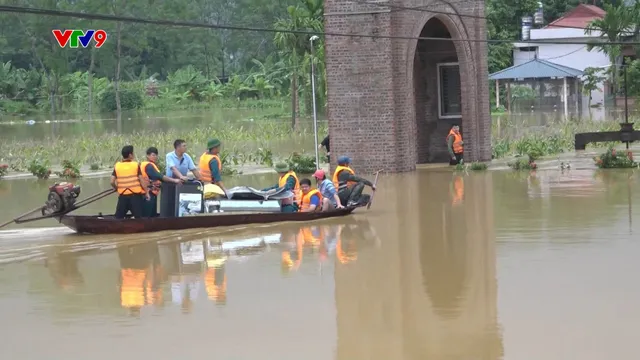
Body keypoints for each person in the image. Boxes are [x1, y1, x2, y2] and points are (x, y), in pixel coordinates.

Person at [140, 146, 182, 217]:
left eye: (156, 155)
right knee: (148, 216)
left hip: (150, 193)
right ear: (147, 156)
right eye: (153, 155)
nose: (155, 157)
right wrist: (174, 180)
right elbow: (160, 176)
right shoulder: (149, 166)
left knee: (151, 215)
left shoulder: (148, 165)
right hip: (148, 193)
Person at [111, 145, 147, 219]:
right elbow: (142, 180)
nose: (133, 155)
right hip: (135, 196)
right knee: (139, 218)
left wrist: (117, 188)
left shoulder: (117, 166)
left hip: (123, 196)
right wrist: (146, 192)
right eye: (133, 153)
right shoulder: (135, 165)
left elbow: (111, 182)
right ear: (130, 155)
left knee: (118, 218)